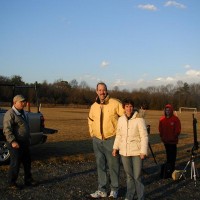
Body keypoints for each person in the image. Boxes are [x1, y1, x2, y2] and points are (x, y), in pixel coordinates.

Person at [88, 82, 124, 199]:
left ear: (106, 91)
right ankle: (102, 190)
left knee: (113, 166)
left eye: (103, 90)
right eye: (99, 90)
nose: (102, 92)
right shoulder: (93, 106)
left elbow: (125, 117)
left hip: (111, 140)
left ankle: (114, 189)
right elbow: (90, 120)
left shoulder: (115, 103)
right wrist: (93, 134)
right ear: (96, 91)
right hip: (97, 141)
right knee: (100, 166)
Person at [112, 98, 148, 200]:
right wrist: (115, 148)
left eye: (131, 106)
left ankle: (141, 197)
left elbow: (144, 136)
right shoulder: (121, 119)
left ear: (133, 107)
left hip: (137, 152)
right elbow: (118, 135)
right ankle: (129, 195)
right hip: (124, 152)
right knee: (129, 176)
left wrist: (143, 151)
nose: (129, 108)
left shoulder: (139, 119)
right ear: (124, 107)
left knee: (137, 176)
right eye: (127, 106)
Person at [3, 94, 37, 190]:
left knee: (27, 162)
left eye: (24, 101)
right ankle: (11, 183)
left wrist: (28, 138)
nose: (24, 103)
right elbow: (7, 129)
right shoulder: (10, 114)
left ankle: (28, 180)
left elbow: (25, 127)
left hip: (24, 142)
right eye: (21, 101)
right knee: (15, 163)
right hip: (15, 143)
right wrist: (13, 141)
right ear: (15, 102)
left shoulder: (23, 112)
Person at [159, 104, 181, 172]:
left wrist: (174, 136)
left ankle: (172, 169)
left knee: (172, 156)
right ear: (165, 111)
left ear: (171, 110)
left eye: (169, 110)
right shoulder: (162, 119)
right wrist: (162, 136)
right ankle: (168, 169)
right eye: (166, 110)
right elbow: (160, 129)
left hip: (172, 141)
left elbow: (178, 129)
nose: (167, 111)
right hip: (165, 141)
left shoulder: (175, 119)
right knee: (168, 155)